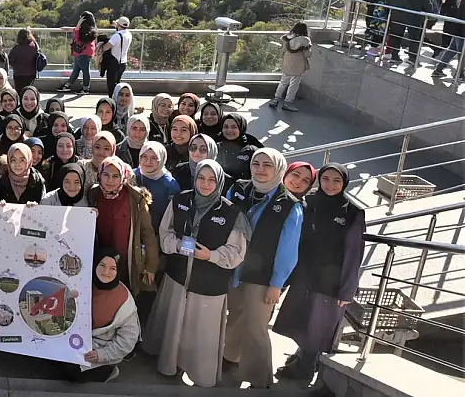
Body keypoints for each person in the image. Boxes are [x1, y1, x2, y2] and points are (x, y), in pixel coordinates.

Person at [143, 160, 249, 388]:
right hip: (177, 278)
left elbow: (236, 253)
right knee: (172, 324)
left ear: (219, 181)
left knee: (202, 332)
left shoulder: (231, 213)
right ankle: (169, 365)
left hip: (209, 285)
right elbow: (165, 233)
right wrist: (179, 245)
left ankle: (200, 374)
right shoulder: (181, 200)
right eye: (201, 178)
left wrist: (210, 256)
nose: (206, 184)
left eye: (212, 179)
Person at [223, 151, 310, 389]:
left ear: (279, 169)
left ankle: (259, 379)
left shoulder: (290, 206)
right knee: (235, 318)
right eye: (256, 164)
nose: (260, 169)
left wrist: (276, 284)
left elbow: (288, 251)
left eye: (267, 165)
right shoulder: (239, 189)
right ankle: (230, 358)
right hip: (234, 268)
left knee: (256, 328)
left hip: (263, 278)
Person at [274, 163, 365, 382]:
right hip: (305, 274)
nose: (331, 185)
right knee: (300, 321)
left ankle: (303, 371)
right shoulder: (309, 202)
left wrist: (347, 290)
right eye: (326, 179)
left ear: (344, 183)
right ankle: (303, 359)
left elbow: (354, 254)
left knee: (317, 328)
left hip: (331, 282)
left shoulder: (352, 212)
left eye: (337, 181)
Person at [67, 247, 140, 383]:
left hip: (100, 348)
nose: (106, 272)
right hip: (75, 340)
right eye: (102, 265)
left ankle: (108, 370)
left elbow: (128, 338)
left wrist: (102, 355)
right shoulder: (82, 284)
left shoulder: (124, 300)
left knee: (73, 374)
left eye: (113, 268)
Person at [93, 156, 158, 294]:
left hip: (127, 261)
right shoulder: (93, 194)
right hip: (100, 261)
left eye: (116, 176)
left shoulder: (135, 198)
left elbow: (148, 233)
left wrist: (151, 266)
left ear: (123, 177)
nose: (110, 180)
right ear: (99, 175)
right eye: (106, 175)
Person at [384, 0, 433, 65]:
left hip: (397, 12)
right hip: (413, 13)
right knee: (414, 37)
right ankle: (412, 58)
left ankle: (394, 55)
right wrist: (429, 11)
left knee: (396, 35)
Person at [135, 141, 180, 233]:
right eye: (144, 157)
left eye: (154, 158)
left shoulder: (170, 185)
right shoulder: (132, 176)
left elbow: (172, 219)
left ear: (162, 159)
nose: (148, 162)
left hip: (157, 235)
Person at [269, 23, 312, 111]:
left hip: (287, 63)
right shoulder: (305, 40)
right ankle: (288, 103)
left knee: (283, 82)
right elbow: (307, 54)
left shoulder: (288, 37)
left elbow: (284, 50)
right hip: (298, 64)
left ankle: (275, 99)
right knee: (294, 84)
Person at [171, 133, 219, 207]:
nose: (197, 152)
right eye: (193, 148)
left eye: (203, 149)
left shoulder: (220, 176)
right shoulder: (179, 170)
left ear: (211, 151)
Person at [58, 11, 98, 94]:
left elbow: (77, 38)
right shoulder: (93, 30)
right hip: (87, 52)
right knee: (77, 70)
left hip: (82, 53)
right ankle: (68, 85)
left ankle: (85, 88)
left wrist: (78, 25)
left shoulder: (82, 31)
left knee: (84, 71)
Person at [215, 113, 262, 183]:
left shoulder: (251, 150)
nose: (229, 130)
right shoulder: (216, 148)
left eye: (234, 127)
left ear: (241, 128)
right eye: (226, 127)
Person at [433, 0, 463, 78]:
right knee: (461, 51)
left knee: (453, 49)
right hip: (462, 28)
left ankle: (439, 69)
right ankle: (460, 74)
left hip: (457, 26)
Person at [104, 17, 133, 94]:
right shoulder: (128, 34)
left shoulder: (117, 36)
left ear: (118, 25)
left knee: (111, 85)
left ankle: (113, 102)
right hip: (123, 62)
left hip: (114, 63)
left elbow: (106, 47)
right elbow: (121, 28)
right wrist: (116, 24)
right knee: (117, 84)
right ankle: (118, 101)